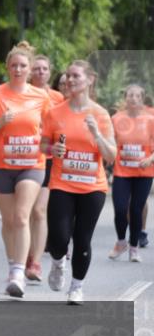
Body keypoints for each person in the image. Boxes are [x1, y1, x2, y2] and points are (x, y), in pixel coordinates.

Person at [0, 42, 52, 298]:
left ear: (29, 70)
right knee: (8, 221)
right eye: (14, 65)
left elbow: (53, 129)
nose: (18, 69)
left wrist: (53, 143)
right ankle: (12, 266)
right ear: (7, 68)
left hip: (32, 165)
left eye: (23, 65)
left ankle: (19, 272)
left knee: (21, 217)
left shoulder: (41, 97)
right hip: (1, 167)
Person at [41, 60, 116, 304]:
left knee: (83, 239)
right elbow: (43, 145)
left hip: (92, 186)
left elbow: (111, 156)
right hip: (63, 183)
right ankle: (58, 261)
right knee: (59, 237)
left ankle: (77, 287)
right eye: (68, 76)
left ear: (90, 80)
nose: (70, 80)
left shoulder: (101, 114)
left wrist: (96, 134)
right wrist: (55, 149)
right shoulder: (55, 113)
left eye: (76, 76)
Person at [27, 55, 65, 281]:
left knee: (40, 210)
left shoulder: (58, 98)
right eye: (37, 69)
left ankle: (35, 263)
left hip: (48, 158)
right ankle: (26, 254)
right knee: (26, 213)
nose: (40, 72)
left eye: (44, 68)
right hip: (25, 158)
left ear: (50, 72)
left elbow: (65, 125)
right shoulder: (23, 93)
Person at [109, 84, 154, 262]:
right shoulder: (116, 118)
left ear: (142, 99)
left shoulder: (150, 119)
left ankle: (134, 247)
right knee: (120, 208)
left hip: (144, 172)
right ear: (125, 98)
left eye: (136, 96)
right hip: (122, 171)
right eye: (130, 95)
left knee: (136, 209)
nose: (133, 98)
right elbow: (110, 142)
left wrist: (150, 159)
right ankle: (121, 242)